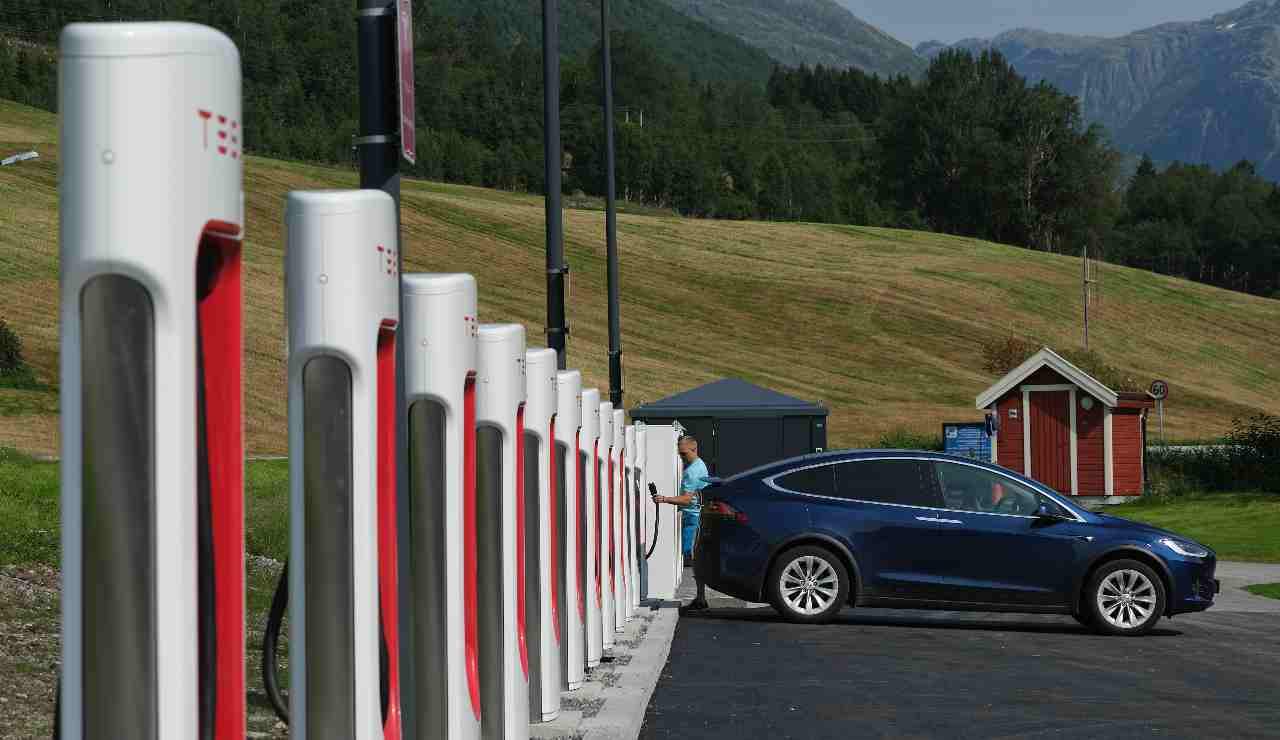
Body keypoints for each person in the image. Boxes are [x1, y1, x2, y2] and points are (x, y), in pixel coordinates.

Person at [653, 434, 711, 611]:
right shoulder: (698, 465)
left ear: (694, 449)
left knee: (694, 558)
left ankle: (701, 598)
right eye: (679, 454)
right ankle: (700, 597)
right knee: (694, 558)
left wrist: (664, 499)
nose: (681, 457)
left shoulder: (693, 471)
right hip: (694, 516)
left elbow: (686, 499)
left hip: (693, 517)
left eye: (684, 453)